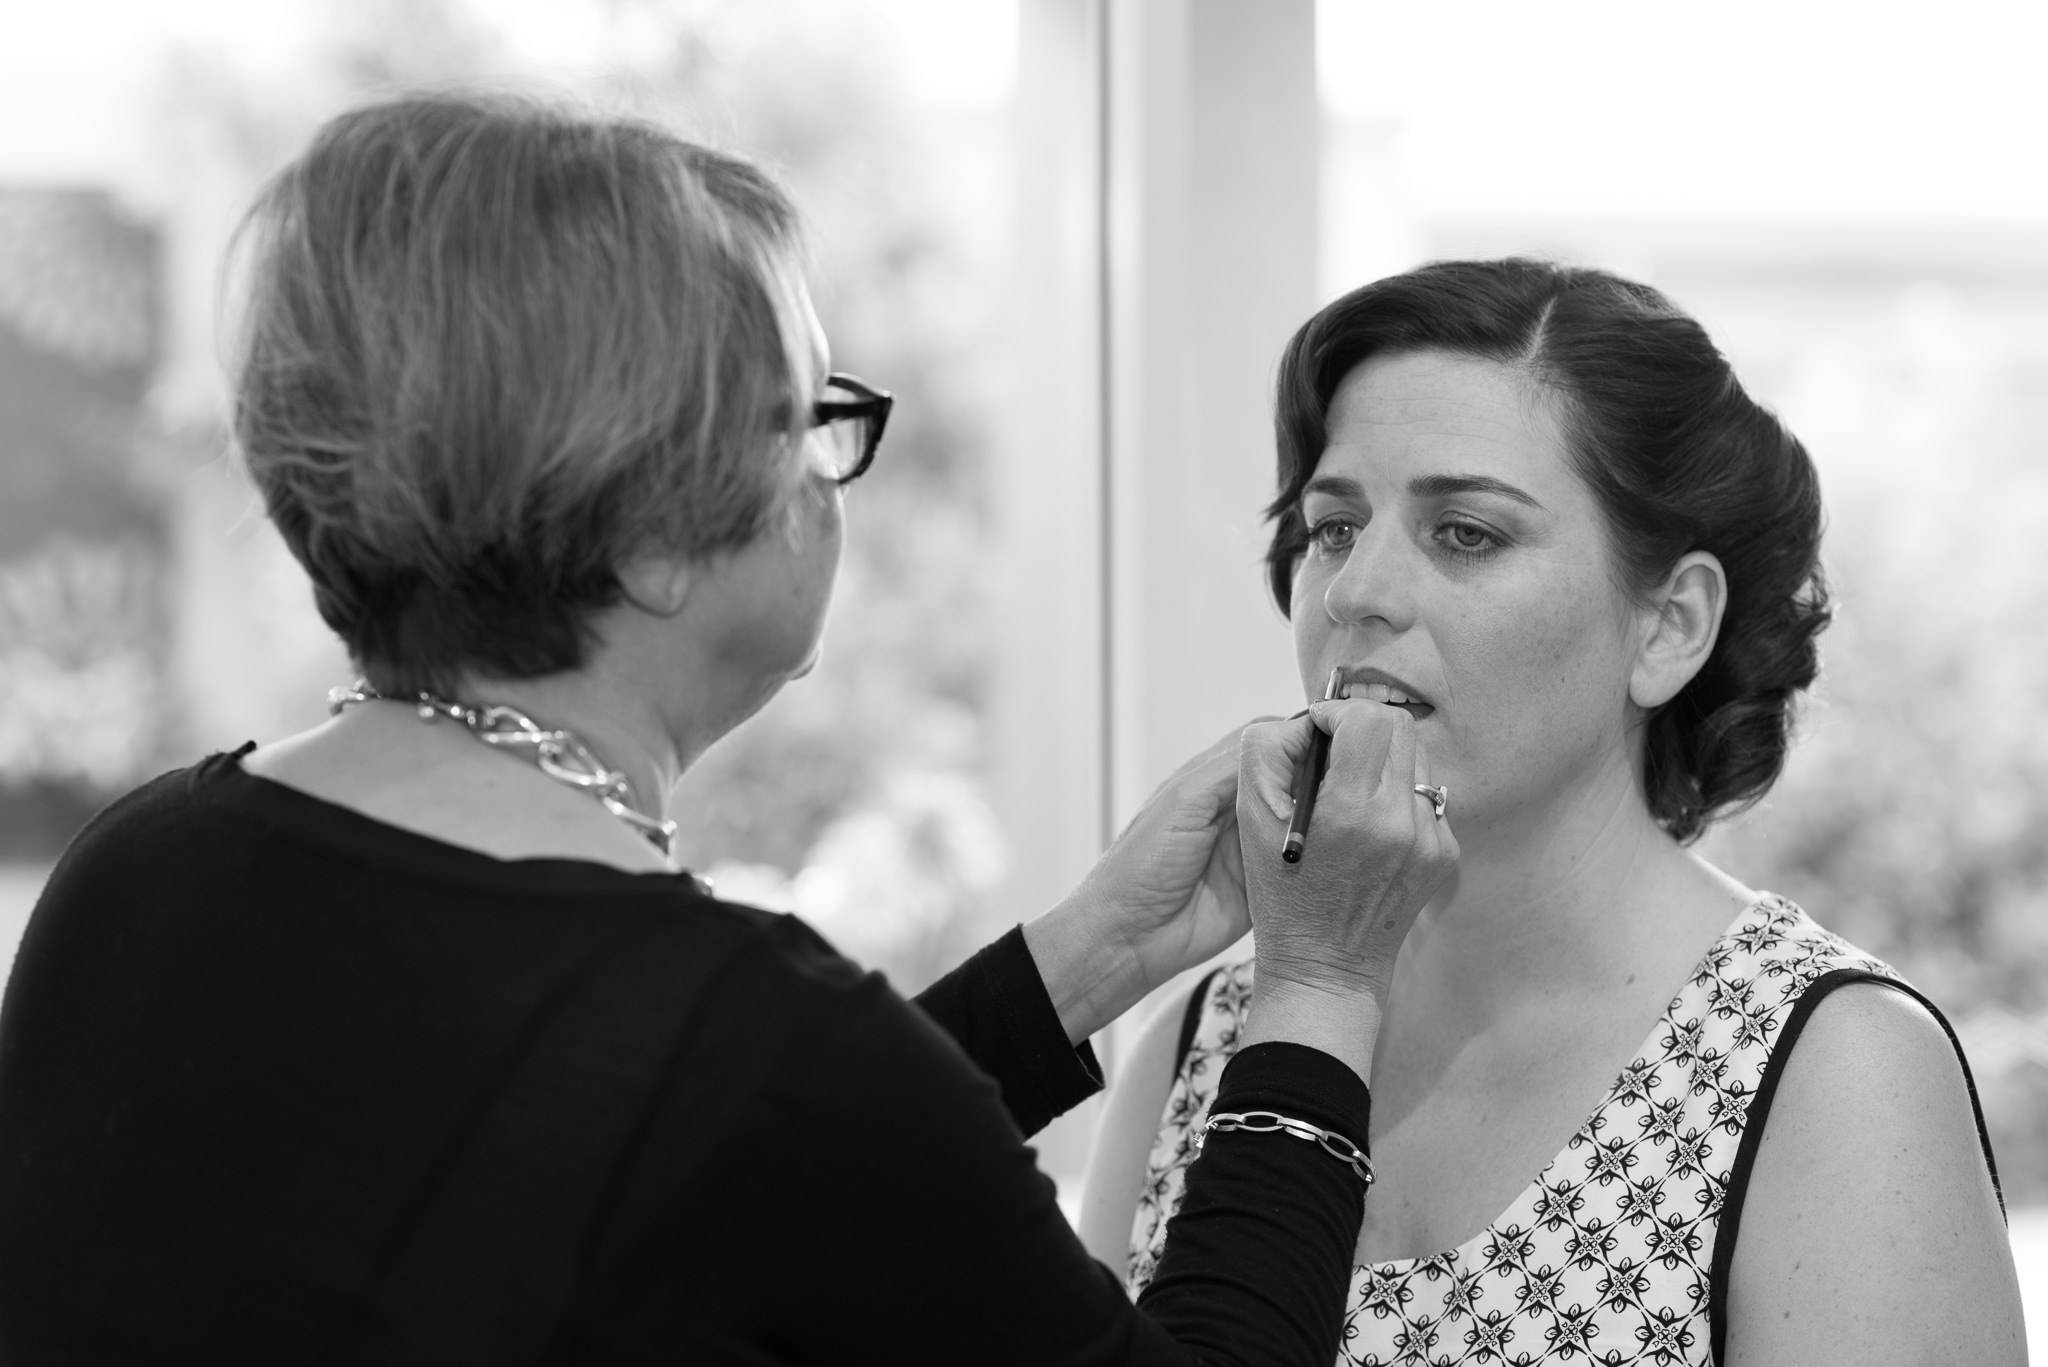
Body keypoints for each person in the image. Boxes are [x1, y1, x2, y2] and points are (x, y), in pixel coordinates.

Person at [0, 94, 1455, 1366]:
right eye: (806, 420)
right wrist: (1321, 982)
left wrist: (1083, 957)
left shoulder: (142, 869)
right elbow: (747, 1133)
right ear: (657, 535)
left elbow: (677, 1194)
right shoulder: (747, 1049)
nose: (837, 475)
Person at [1079, 259, 2026, 1366]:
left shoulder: (1834, 1070)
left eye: (1465, 533)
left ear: (1667, 625)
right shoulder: (1196, 1048)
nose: (1350, 590)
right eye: (1332, 526)